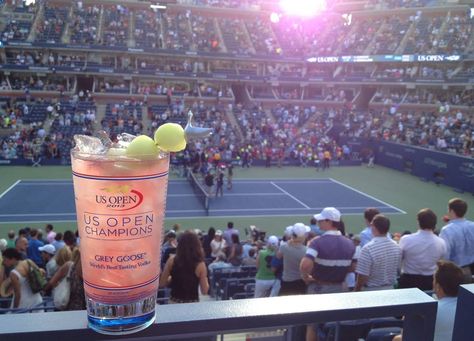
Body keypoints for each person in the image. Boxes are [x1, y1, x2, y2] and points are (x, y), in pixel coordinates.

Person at [300, 207, 355, 341]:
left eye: (321, 220)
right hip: (340, 290)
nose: (318, 222)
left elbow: (305, 265)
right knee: (335, 325)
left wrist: (306, 277)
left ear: (329, 222)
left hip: (319, 289)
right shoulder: (349, 243)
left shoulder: (316, 242)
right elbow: (353, 267)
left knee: (313, 326)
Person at [393, 260, 464, 341]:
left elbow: (406, 337)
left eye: (434, 279)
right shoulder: (469, 309)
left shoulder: (423, 313)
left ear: (437, 286)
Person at [398, 208, 447, 290]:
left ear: (418, 222)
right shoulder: (441, 243)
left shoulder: (406, 239)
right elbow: (441, 263)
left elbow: (399, 260)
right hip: (429, 282)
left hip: (408, 281)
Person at [159, 231, 209, 303]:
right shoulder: (201, 265)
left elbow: (162, 283)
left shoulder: (171, 260)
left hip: (174, 303)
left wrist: (172, 278)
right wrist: (205, 278)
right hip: (192, 305)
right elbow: (204, 291)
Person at [355, 214, 401, 291]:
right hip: (391, 291)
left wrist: (356, 290)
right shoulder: (397, 246)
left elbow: (362, 276)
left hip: (371, 291)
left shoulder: (368, 249)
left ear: (373, 227)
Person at [439, 198, 474, 281]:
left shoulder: (446, 230)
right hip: (471, 269)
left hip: (454, 272)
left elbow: (444, 255)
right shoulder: (472, 225)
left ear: (452, 211)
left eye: (448, 209)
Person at [277, 223, 308, 296]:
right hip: (300, 282)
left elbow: (278, 256)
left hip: (287, 282)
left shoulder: (284, 247)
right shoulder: (306, 250)